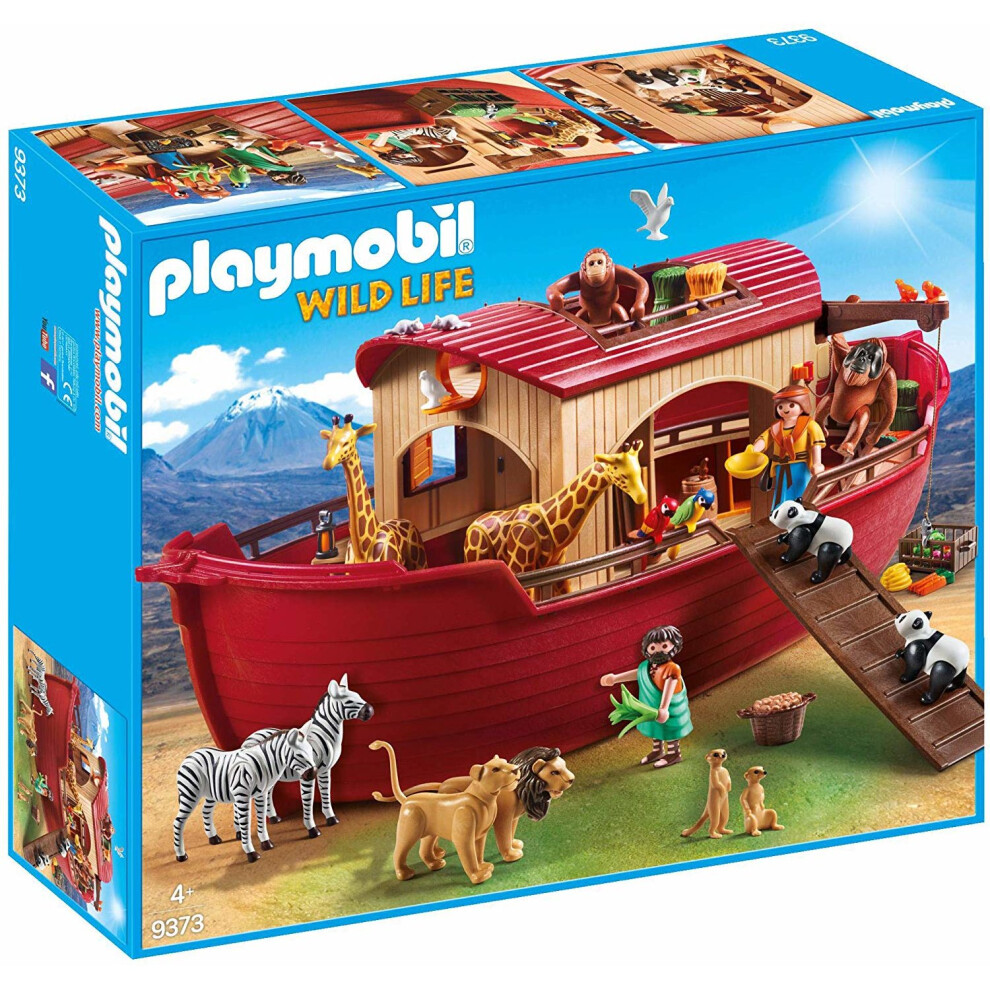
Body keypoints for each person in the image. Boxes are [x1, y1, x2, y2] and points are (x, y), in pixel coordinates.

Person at [600, 625, 693, 769]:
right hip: (652, 703)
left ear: (674, 646)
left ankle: (674, 753)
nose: (658, 651)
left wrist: (664, 708)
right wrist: (615, 678)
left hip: (670, 705)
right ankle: (658, 751)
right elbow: (639, 674)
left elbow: (669, 685)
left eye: (664, 646)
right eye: (653, 647)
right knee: (654, 726)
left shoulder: (672, 668)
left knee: (670, 727)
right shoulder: (647, 666)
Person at [752, 381, 825, 507]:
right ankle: (779, 512)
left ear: (803, 405)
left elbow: (816, 445)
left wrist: (817, 463)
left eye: (791, 405)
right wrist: (753, 450)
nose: (785, 409)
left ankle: (802, 512)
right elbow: (765, 439)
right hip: (781, 467)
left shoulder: (810, 425)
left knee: (801, 492)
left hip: (800, 466)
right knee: (781, 494)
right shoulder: (775, 428)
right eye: (780, 407)